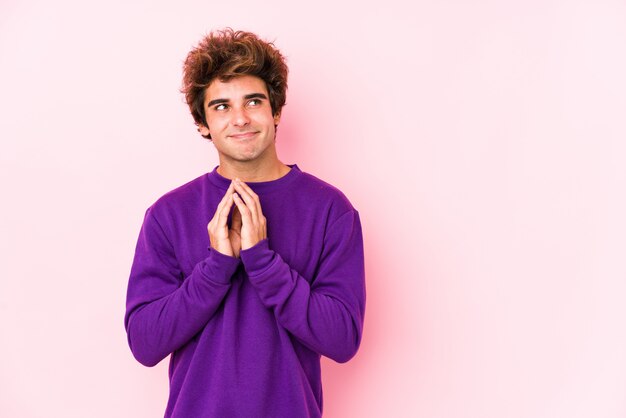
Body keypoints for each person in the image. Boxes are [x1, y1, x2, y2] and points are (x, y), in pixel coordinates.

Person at [124, 28, 366, 417]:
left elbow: (342, 340)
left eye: (253, 101)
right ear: (202, 123)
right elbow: (145, 343)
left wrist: (264, 263)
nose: (239, 118)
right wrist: (216, 268)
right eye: (220, 106)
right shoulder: (168, 214)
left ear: (276, 111)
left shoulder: (330, 210)